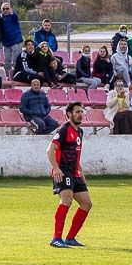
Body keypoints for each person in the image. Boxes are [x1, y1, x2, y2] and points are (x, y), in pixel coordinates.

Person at [46, 102, 92, 248]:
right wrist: (56, 169)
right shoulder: (64, 129)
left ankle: (70, 238)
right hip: (63, 171)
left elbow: (75, 154)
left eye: (82, 112)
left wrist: (80, 170)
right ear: (69, 114)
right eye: (77, 112)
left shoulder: (80, 131)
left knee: (86, 204)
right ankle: (56, 238)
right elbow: (50, 150)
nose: (81, 115)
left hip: (74, 172)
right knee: (66, 200)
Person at [0, 3, 24, 76]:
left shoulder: (13, 16)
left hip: (16, 42)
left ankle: (16, 75)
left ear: (10, 9)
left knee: (16, 61)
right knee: (7, 62)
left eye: (7, 8)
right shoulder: (0, 18)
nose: (5, 10)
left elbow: (15, 16)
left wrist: (12, 13)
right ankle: (8, 76)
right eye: (4, 9)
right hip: (6, 43)